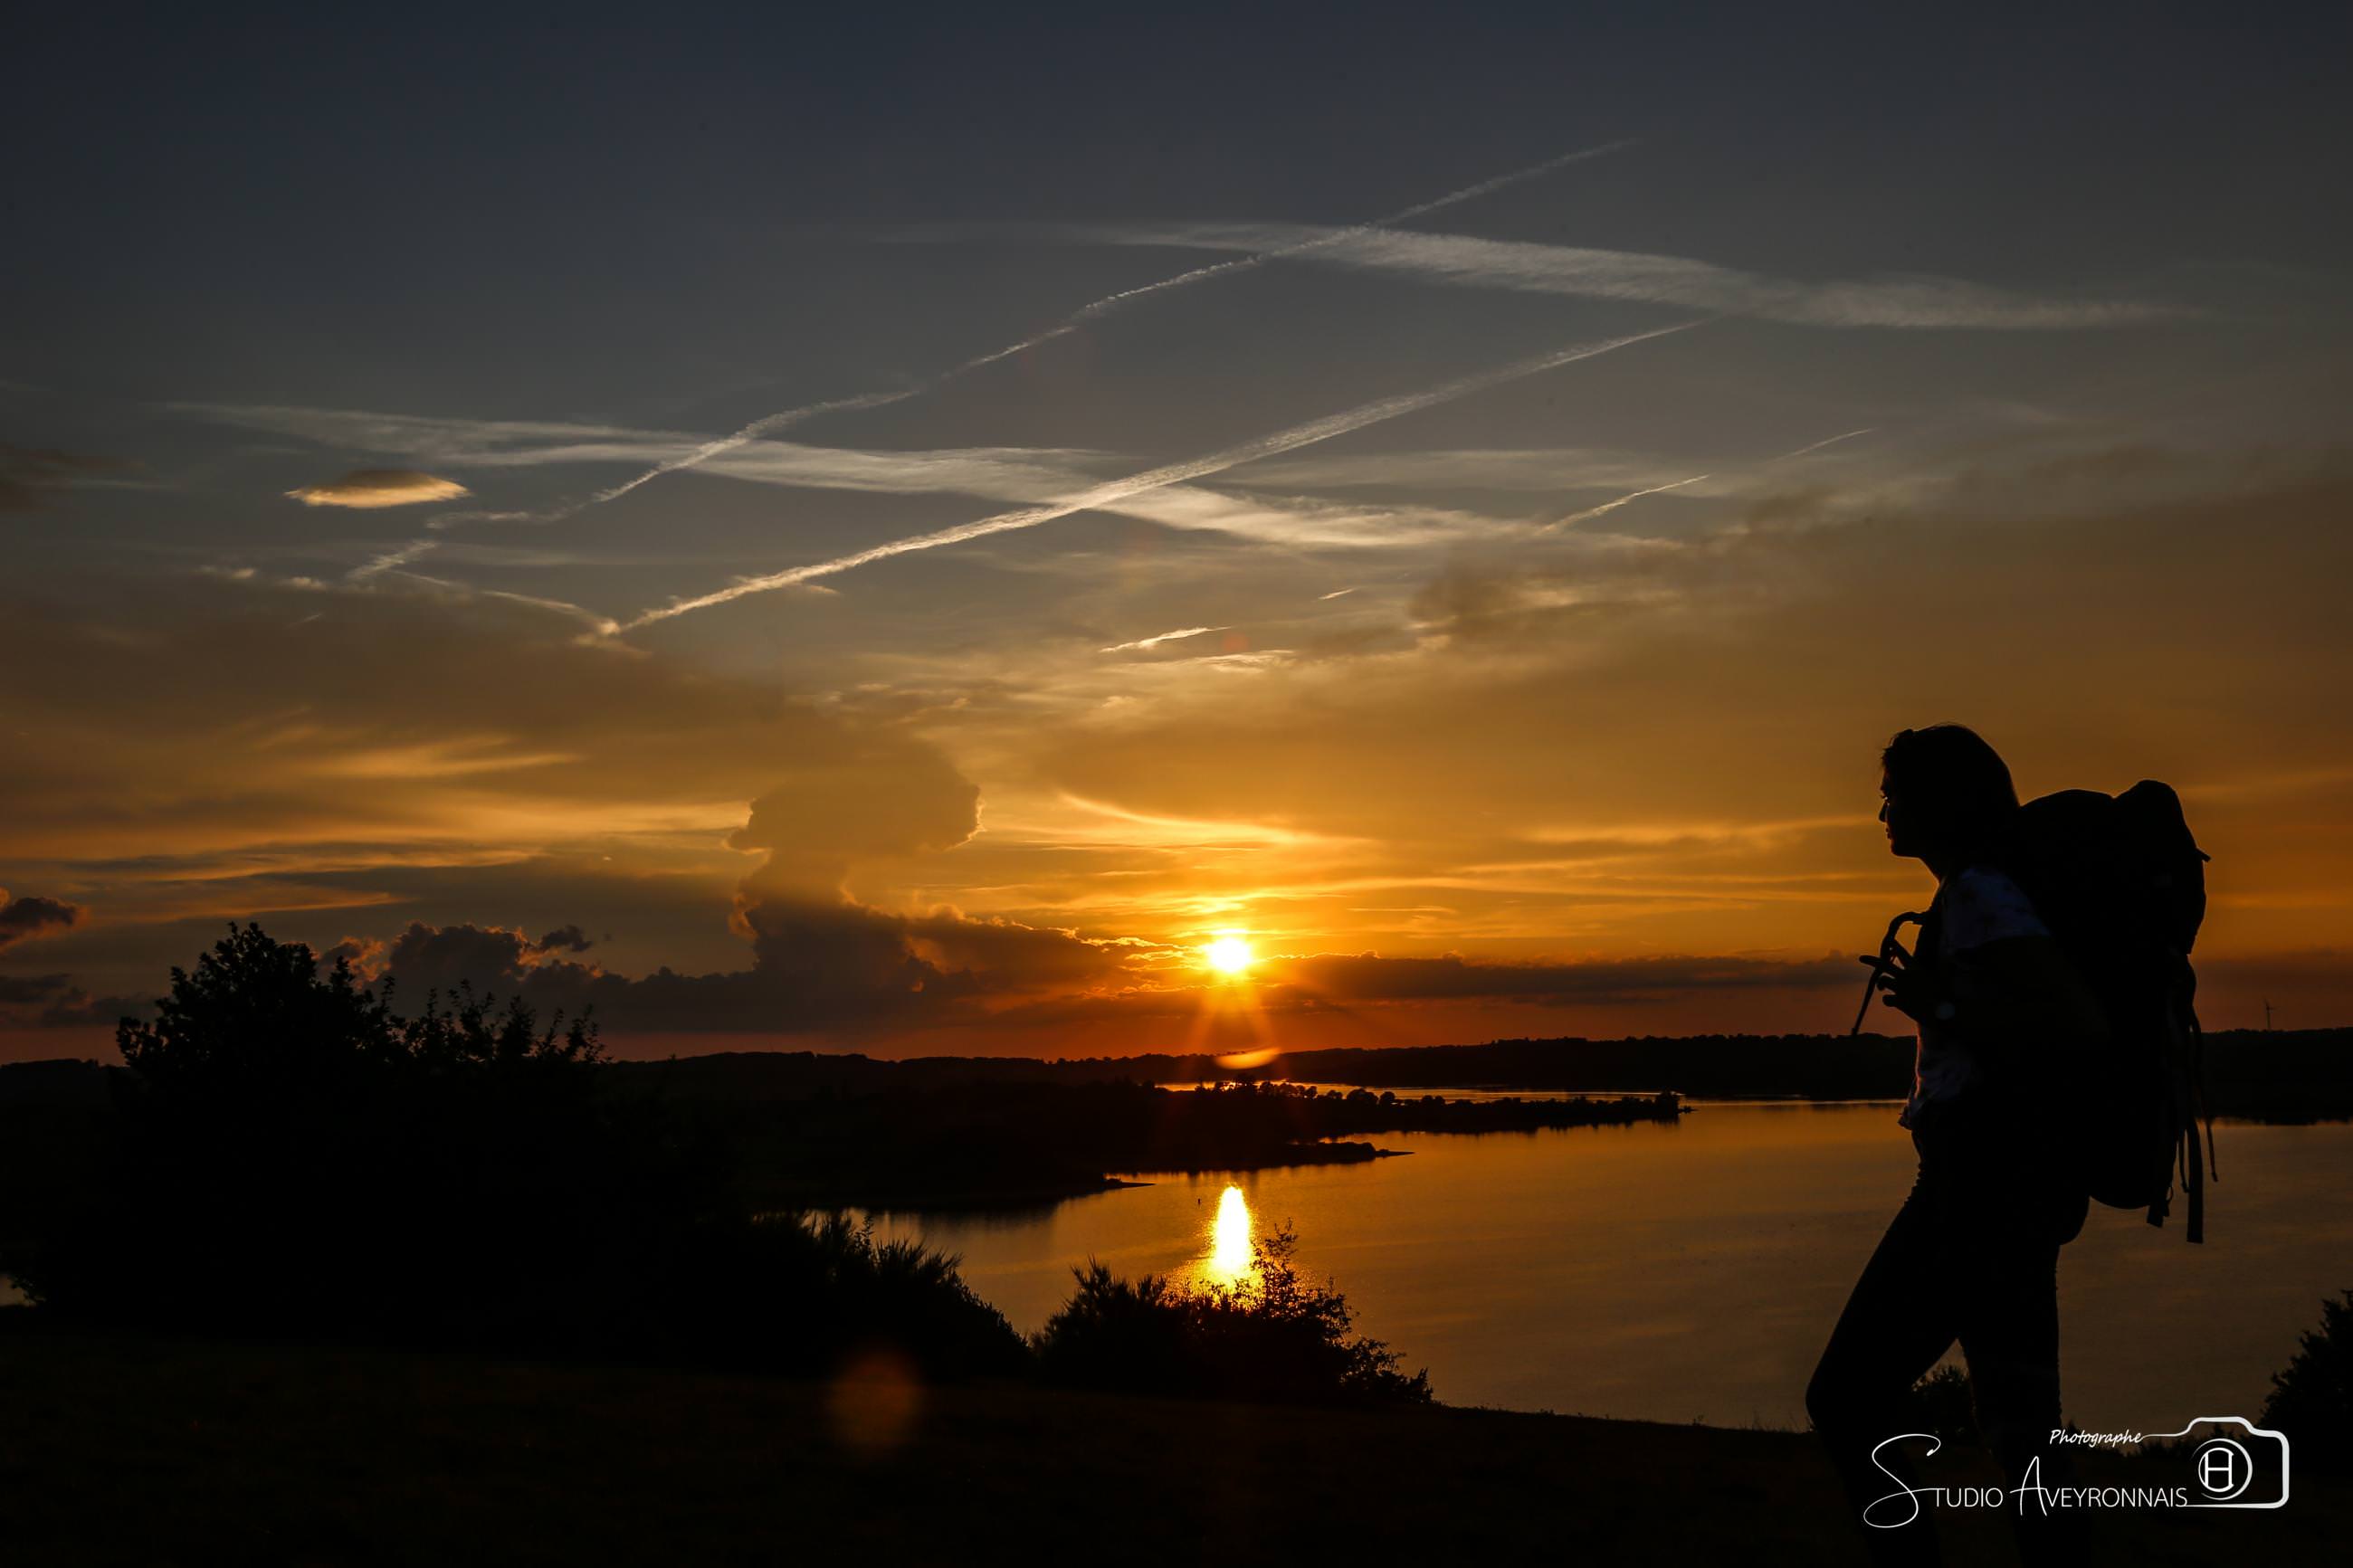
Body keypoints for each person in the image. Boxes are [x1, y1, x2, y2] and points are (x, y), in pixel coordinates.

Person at [1805, 725, 2103, 1564]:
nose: (1881, 809)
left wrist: (1938, 1007)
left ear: (1943, 799)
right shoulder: (1978, 893)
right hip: (1998, 1185)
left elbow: (2077, 1025)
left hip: (1978, 1188)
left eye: (1894, 791)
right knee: (2019, 1429)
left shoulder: (1980, 894)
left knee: (1846, 1395)